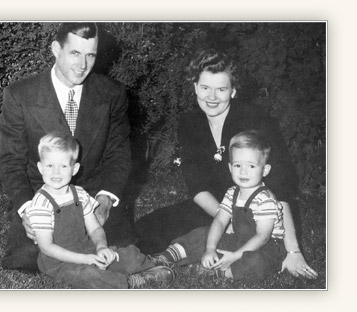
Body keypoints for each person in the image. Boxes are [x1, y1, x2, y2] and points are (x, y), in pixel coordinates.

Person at [135, 48, 318, 279]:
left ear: (233, 91)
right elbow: (196, 184)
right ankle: (152, 263)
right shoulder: (190, 123)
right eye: (205, 88)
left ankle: (199, 265)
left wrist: (294, 250)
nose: (212, 97)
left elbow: (280, 188)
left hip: (259, 213)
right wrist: (225, 219)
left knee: (249, 252)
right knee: (147, 230)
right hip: (216, 205)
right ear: (195, 88)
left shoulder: (254, 119)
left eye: (221, 89)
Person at [0, 22, 134, 272]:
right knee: (28, 259)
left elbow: (119, 155)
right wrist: (28, 209)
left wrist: (104, 200)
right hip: (43, 197)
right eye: (74, 53)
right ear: (56, 49)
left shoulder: (112, 93)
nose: (83, 65)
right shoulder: (20, 95)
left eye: (90, 55)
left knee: (122, 249)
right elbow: (11, 161)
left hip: (91, 197)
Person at [25, 133, 174, 288]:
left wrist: (101, 247)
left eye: (63, 166)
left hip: (85, 247)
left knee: (123, 254)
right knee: (88, 275)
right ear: (40, 168)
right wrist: (86, 259)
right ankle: (131, 283)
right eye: (50, 166)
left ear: (74, 169)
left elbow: (95, 228)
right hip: (58, 261)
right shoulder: (41, 203)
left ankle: (148, 263)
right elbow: (47, 247)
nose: (56, 172)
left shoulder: (79, 194)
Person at [150, 130, 291, 283]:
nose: (243, 171)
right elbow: (220, 221)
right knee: (203, 232)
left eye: (251, 166)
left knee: (256, 262)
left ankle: (221, 273)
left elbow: (262, 237)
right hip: (238, 239)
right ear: (230, 168)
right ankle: (166, 257)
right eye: (238, 165)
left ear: (265, 170)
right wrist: (211, 248)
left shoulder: (266, 200)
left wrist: (235, 256)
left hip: (265, 247)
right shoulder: (232, 193)